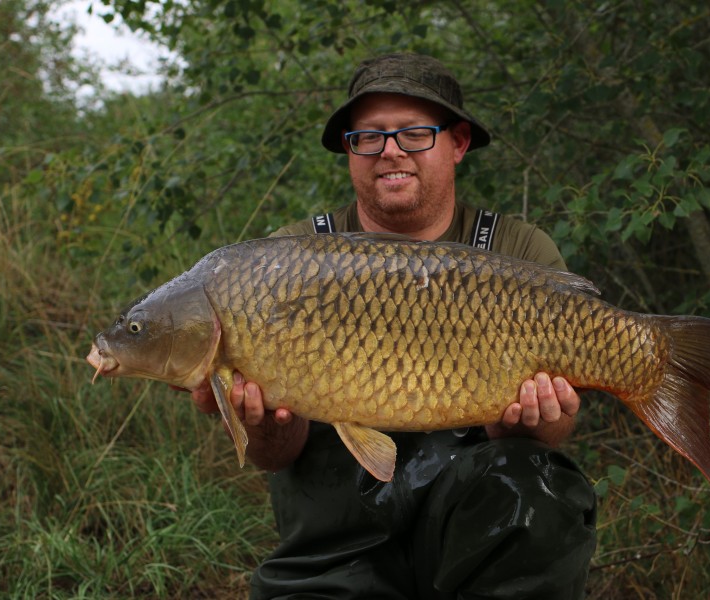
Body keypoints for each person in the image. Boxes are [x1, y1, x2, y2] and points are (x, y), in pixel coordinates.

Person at [190, 53, 597, 599]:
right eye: (370, 137)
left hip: (484, 521)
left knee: (532, 484)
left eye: (414, 134)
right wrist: (261, 422)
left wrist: (528, 423)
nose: (390, 151)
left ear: (458, 143)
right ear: (349, 149)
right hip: (335, 544)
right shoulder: (286, 260)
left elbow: (552, 434)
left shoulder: (518, 252)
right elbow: (273, 456)